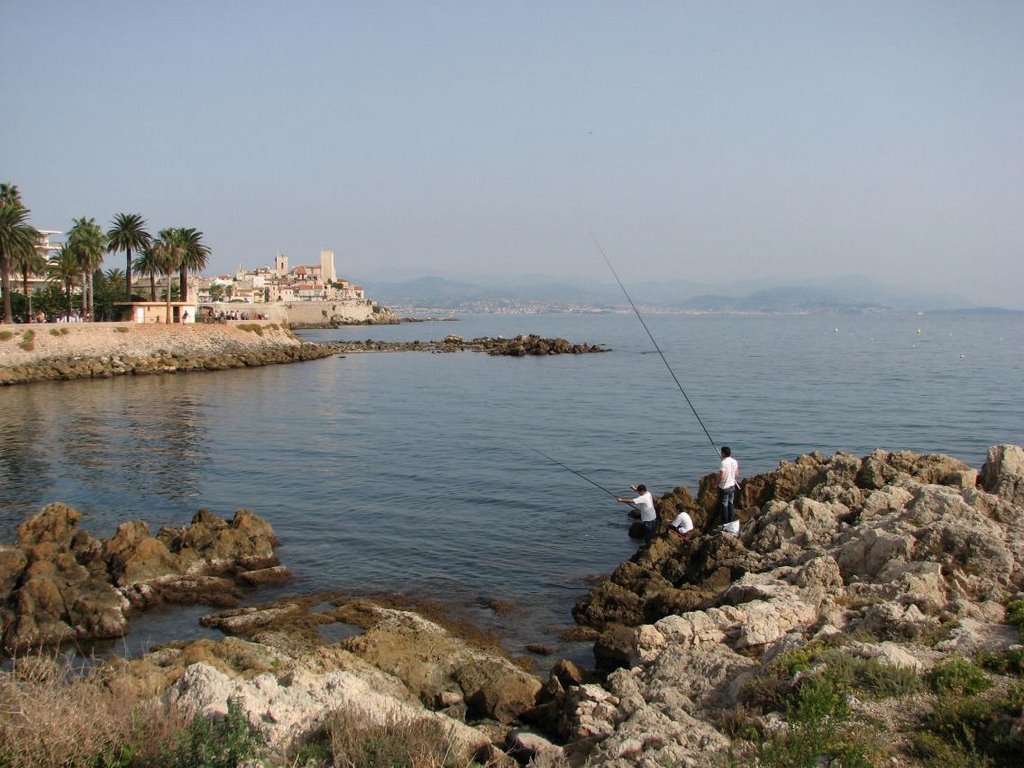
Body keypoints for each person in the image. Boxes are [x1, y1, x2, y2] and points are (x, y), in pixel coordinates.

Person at [718, 446, 740, 529]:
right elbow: (737, 474)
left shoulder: (723, 463)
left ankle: (725, 523)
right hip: (732, 486)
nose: (720, 453)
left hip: (725, 487)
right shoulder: (734, 461)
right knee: (731, 503)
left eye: (721, 452)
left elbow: (722, 477)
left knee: (724, 505)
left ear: (723, 453)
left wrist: (717, 484)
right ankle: (732, 521)